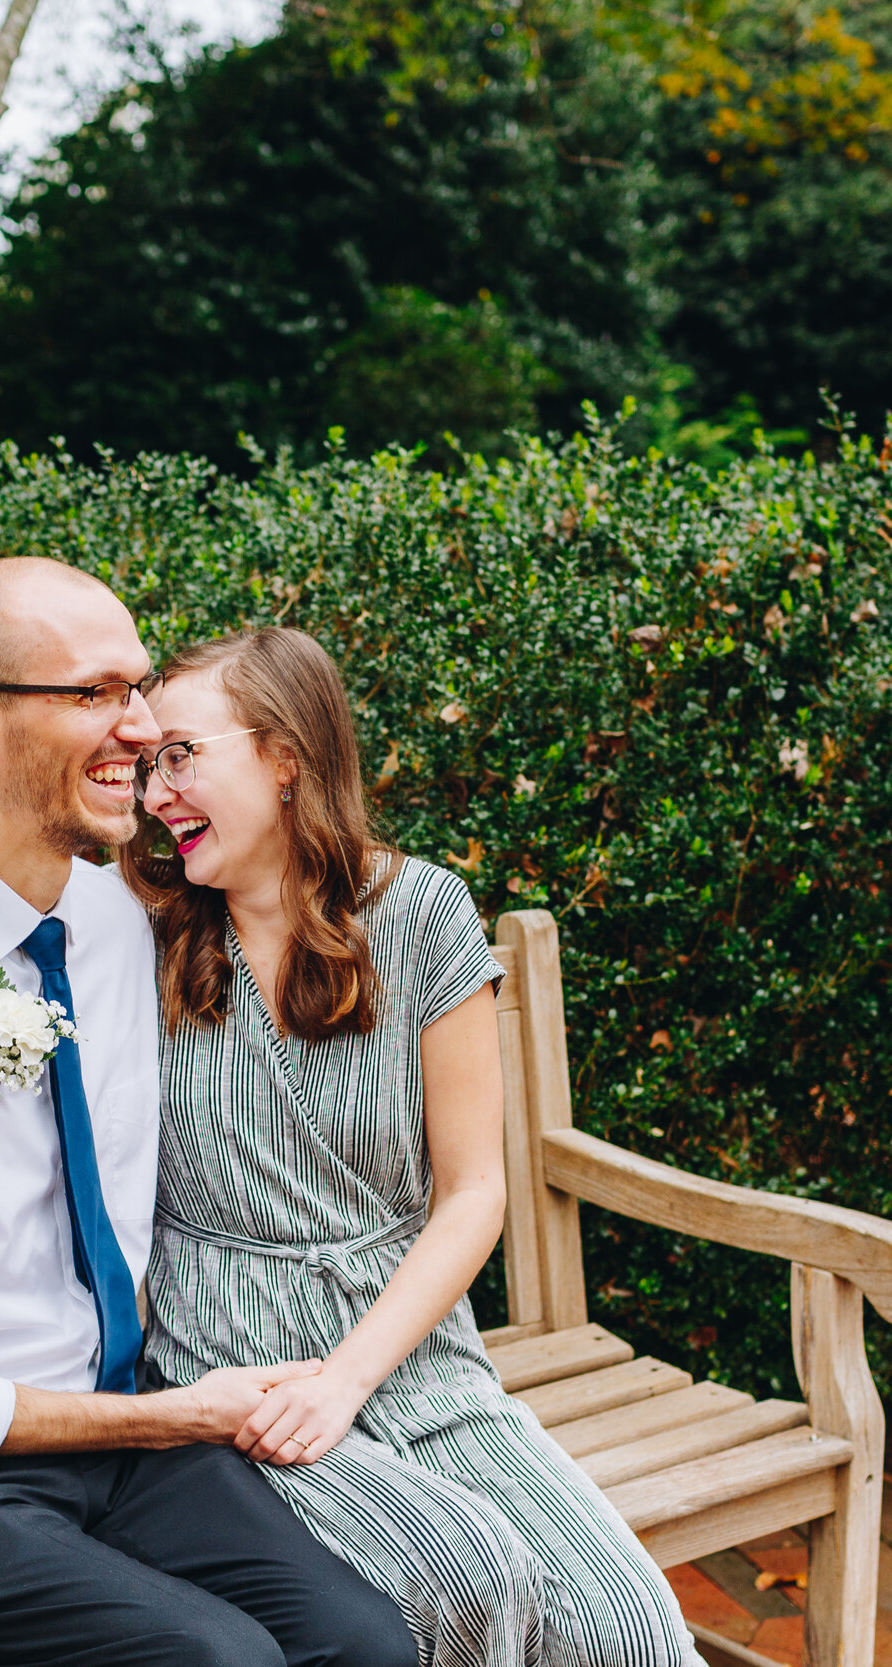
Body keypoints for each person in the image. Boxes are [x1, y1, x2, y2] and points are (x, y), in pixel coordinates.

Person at [0, 562, 415, 1667]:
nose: (144, 728)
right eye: (98, 693)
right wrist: (174, 1414)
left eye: (141, 688)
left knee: (364, 1645)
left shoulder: (112, 923)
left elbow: (290, 904)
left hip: (120, 1441)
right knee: (219, 1662)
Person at [126, 626, 696, 1667]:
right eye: (148, 761)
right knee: (466, 1577)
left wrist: (349, 1375)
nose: (155, 788)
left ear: (285, 755)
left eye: (181, 753)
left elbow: (475, 1187)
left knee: (627, 1622)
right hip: (231, 1354)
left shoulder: (423, 911)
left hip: (411, 1346)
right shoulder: (139, 933)